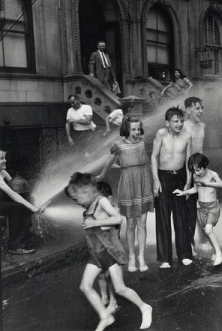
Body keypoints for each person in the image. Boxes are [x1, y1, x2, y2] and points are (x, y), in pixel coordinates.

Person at [65, 172, 152, 331]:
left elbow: (118, 219)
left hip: (110, 252)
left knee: (120, 289)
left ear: (86, 192)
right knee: (85, 286)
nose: (76, 202)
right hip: (96, 254)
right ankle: (106, 316)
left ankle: (145, 307)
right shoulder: (88, 206)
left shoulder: (101, 201)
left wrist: (95, 223)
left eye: (76, 199)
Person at [97, 116, 154, 273]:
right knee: (130, 224)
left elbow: (146, 161)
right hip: (128, 182)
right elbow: (109, 161)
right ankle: (131, 257)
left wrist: (152, 182)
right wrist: (102, 176)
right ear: (126, 129)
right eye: (132, 129)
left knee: (142, 223)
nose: (136, 132)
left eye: (137, 129)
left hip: (143, 181)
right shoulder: (119, 145)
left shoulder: (142, 141)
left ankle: (141, 257)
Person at [151, 107, 193, 268]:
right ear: (167, 123)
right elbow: (154, 157)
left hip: (180, 177)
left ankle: (184, 254)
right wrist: (155, 180)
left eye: (181, 121)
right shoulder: (161, 134)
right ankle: (165, 258)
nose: (179, 124)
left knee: (181, 216)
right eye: (176, 121)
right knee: (163, 217)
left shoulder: (187, 136)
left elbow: (189, 161)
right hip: (163, 177)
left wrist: (188, 183)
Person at [173, 153, 222, 266]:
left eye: (198, 170)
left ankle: (219, 254)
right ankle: (217, 252)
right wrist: (183, 192)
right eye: (194, 171)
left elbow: (221, 184)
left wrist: (208, 183)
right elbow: (195, 189)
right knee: (207, 232)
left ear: (204, 165)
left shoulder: (212, 174)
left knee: (208, 230)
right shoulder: (196, 176)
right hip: (201, 208)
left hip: (212, 207)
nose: (196, 173)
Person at [0, 150, 46, 254]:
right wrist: (32, 207)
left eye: (5, 157)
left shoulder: (2, 172)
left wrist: (36, 200)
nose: (5, 160)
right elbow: (12, 194)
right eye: (1, 158)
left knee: (23, 203)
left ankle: (25, 238)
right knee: (18, 208)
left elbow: (17, 189)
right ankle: (15, 246)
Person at [183, 97, 209, 253]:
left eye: (202, 108)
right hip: (187, 171)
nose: (200, 111)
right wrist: (188, 178)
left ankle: (203, 239)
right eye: (197, 108)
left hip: (201, 171)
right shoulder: (184, 127)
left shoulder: (203, 125)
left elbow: (201, 150)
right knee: (189, 209)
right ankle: (190, 243)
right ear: (188, 110)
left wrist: (204, 172)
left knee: (203, 206)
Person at [96, 181, 120, 314]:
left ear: (109, 199)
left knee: (109, 275)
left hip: (111, 249)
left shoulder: (115, 211)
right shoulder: (97, 213)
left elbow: (110, 228)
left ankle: (113, 300)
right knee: (100, 274)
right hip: (99, 248)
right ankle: (104, 296)